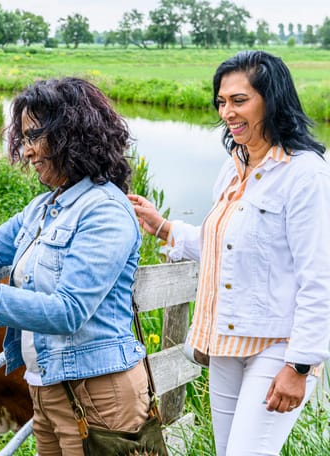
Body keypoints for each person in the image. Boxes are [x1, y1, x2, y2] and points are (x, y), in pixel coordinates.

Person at [0, 77, 150, 455]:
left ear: (73, 134)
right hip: (45, 386)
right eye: (22, 139)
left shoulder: (105, 211)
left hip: (98, 392)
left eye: (34, 137)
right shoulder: (43, 209)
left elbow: (68, 311)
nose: (26, 151)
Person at [129, 50, 330, 455]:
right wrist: (165, 228)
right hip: (227, 342)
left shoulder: (305, 173)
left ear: (271, 101)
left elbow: (320, 275)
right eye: (222, 102)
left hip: (278, 346)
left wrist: (301, 365)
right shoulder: (233, 165)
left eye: (239, 101)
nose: (227, 112)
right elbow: (227, 249)